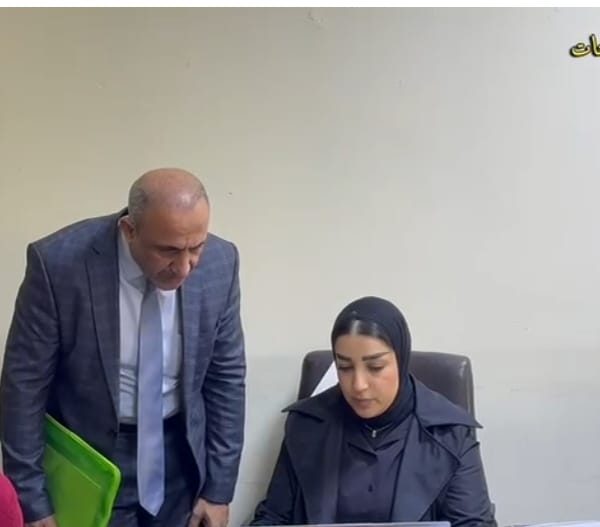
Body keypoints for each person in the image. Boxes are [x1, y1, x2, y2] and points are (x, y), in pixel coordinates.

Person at [0, 168, 246, 527]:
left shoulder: (221, 263)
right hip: (91, 459)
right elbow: (23, 386)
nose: (184, 267)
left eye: (197, 247)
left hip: (179, 459)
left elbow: (226, 379)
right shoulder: (59, 264)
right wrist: (32, 501)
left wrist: (219, 490)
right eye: (168, 251)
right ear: (129, 230)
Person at [251, 296, 496, 526]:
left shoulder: (449, 433)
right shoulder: (306, 426)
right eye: (344, 367)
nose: (358, 385)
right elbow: (273, 518)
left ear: (401, 361)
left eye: (375, 367)